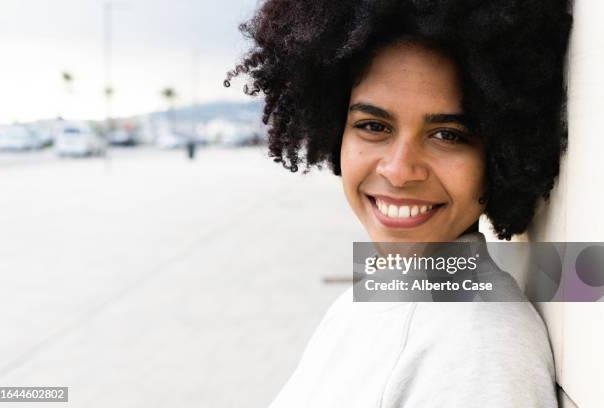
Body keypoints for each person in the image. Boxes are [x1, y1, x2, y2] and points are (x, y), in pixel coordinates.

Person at [225, 0, 572, 406]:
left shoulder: (474, 352)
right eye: (373, 126)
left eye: (449, 135)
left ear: (500, 155)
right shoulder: (386, 291)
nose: (399, 170)